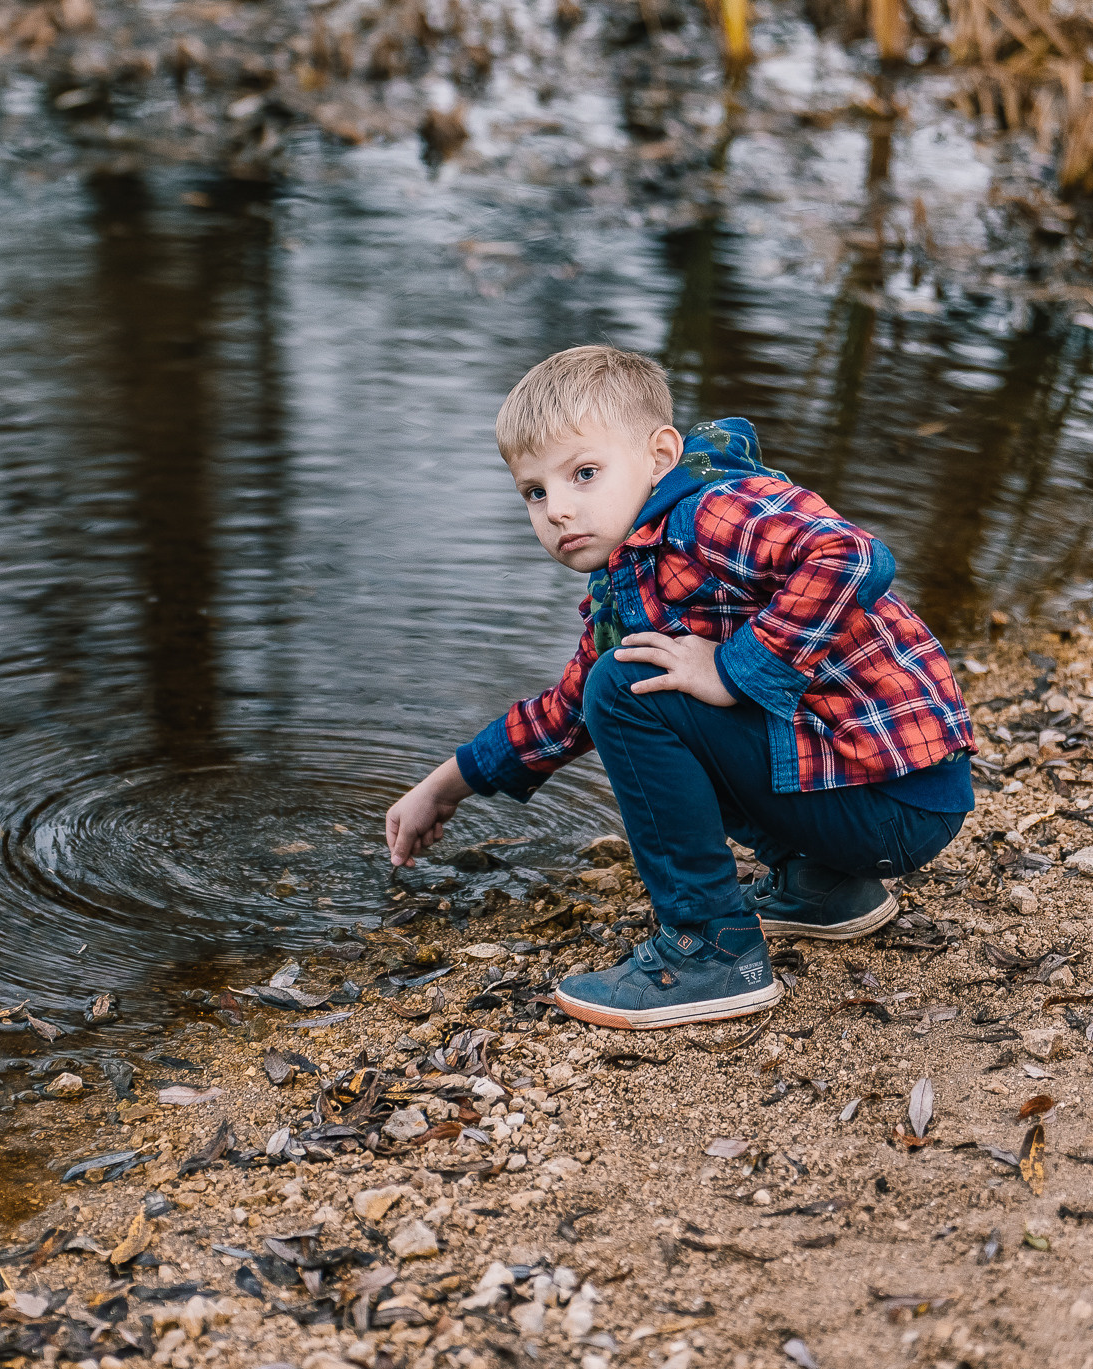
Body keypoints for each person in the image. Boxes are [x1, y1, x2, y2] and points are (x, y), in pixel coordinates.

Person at [382, 346, 975, 1029]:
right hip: (872, 805)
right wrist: (442, 785)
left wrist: (731, 669)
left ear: (660, 455)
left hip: (897, 799)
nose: (558, 510)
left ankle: (709, 952)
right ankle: (829, 888)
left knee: (630, 687)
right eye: (535, 492)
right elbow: (567, 713)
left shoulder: (714, 512)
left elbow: (854, 555)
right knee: (624, 683)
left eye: (584, 473)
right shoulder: (633, 574)